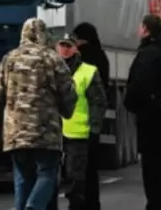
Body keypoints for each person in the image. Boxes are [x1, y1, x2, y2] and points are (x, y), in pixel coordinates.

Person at [0, 18, 77, 210]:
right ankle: (34, 206)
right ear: (45, 35)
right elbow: (68, 92)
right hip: (46, 132)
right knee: (47, 174)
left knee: (22, 178)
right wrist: (67, 112)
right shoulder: (53, 59)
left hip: (16, 132)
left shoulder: (9, 59)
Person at [124, 14, 161, 210]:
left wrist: (132, 104)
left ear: (146, 30)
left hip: (150, 115)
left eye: (141, 27)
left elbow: (139, 85)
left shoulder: (148, 54)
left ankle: (155, 203)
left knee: (150, 164)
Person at [55, 33, 106, 210]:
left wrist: (95, 128)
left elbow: (97, 103)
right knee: (56, 177)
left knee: (75, 177)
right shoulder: (51, 70)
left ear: (76, 48)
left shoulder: (88, 71)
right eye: (62, 45)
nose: (65, 49)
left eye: (69, 45)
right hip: (54, 134)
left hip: (78, 133)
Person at [69, 23, 109, 210]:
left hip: (76, 126)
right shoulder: (101, 56)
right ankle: (94, 204)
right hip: (92, 123)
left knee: (77, 172)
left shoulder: (82, 60)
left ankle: (81, 205)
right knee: (92, 169)